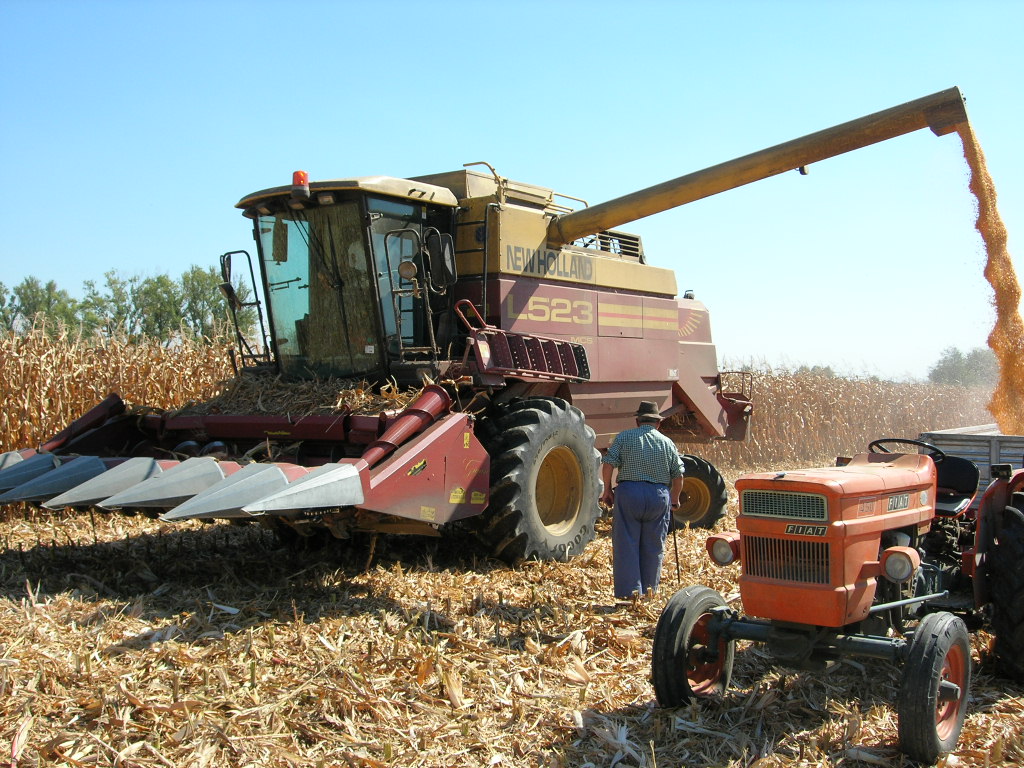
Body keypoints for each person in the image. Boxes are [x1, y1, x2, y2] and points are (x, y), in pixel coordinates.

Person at [600, 401, 684, 600]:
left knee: (626, 544)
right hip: (658, 496)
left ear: (637, 421)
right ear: (658, 423)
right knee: (654, 546)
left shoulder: (624, 437)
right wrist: (674, 499)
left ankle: (630, 595)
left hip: (629, 494)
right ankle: (649, 592)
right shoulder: (666, 442)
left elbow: (608, 463)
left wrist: (607, 490)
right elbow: (679, 475)